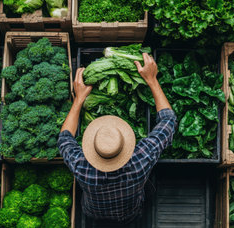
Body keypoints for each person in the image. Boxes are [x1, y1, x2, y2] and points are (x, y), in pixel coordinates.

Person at [58, 53, 177, 223]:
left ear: (92, 147)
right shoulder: (140, 160)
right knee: (139, 203)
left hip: (93, 212)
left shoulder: (81, 167)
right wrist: (152, 80)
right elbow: (168, 121)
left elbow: (64, 138)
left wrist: (79, 99)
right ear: (125, 143)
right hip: (131, 212)